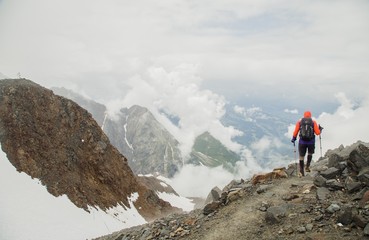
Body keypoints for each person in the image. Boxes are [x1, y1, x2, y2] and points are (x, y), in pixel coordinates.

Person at [291, 111, 323, 177]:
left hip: (302, 142)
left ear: (304, 115)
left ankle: (302, 172)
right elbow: (317, 133)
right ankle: (307, 167)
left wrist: (293, 138)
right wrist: (320, 130)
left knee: (301, 156)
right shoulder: (313, 122)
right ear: (310, 116)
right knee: (310, 153)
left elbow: (296, 131)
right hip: (311, 142)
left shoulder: (299, 122)